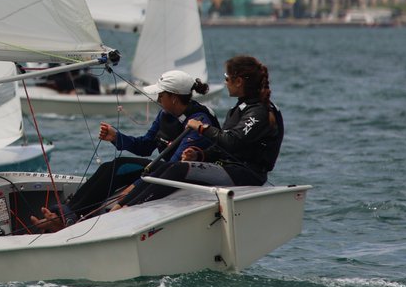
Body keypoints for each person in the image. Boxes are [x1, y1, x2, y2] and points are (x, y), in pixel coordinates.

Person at [28, 69, 216, 232]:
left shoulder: (199, 119)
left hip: (184, 176)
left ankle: (80, 220)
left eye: (161, 95)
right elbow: (145, 145)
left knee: (144, 176)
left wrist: (132, 188)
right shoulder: (165, 114)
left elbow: (173, 166)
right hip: (163, 169)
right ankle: (66, 214)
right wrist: (117, 137)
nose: (157, 98)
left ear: (174, 98)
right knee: (116, 166)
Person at [110, 54, 284, 209]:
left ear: (238, 81)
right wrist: (199, 155)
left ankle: (126, 208)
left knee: (176, 169)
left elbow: (232, 142)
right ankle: (122, 205)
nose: (225, 82)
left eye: (226, 77)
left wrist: (202, 128)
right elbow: (222, 147)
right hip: (228, 169)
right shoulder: (241, 108)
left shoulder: (258, 112)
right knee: (170, 166)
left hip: (247, 175)